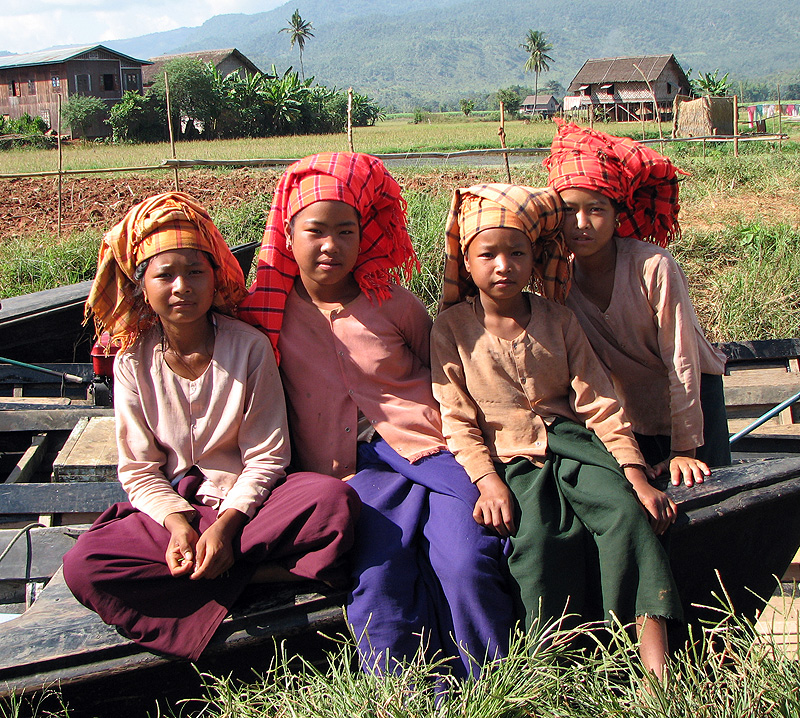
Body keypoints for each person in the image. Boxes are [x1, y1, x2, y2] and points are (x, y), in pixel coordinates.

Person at [238, 152, 514, 679]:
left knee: (466, 559)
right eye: (315, 231)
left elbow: (444, 377)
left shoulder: (393, 303)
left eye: (346, 231)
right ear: (288, 234)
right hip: (348, 473)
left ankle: (494, 681)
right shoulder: (265, 315)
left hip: (432, 453)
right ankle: (405, 691)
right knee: (380, 573)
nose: (330, 246)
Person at [62, 192, 360, 661]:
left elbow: (268, 456)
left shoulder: (249, 348)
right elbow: (140, 470)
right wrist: (181, 526)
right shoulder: (131, 363)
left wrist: (226, 527)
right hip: (178, 511)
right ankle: (255, 573)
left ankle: (214, 571)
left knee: (333, 501)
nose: (182, 286)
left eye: (195, 272)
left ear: (214, 277)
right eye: (165, 275)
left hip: (250, 511)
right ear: (143, 288)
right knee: (84, 564)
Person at [430, 183, 683, 680]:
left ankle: (659, 676)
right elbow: (456, 419)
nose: (504, 265)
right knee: (540, 542)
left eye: (517, 253)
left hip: (576, 447)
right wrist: (487, 481)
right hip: (511, 459)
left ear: (534, 257)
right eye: (488, 254)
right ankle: (554, 672)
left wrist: (635, 475)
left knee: (627, 518)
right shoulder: (451, 328)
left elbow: (599, 401)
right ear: (467, 260)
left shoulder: (559, 320)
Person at [544, 121, 729, 483]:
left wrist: (684, 451)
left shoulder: (654, 267)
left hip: (694, 408)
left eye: (596, 209)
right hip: (633, 411)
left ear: (617, 215)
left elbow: (682, 362)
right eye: (568, 210)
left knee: (714, 501)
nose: (581, 223)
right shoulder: (559, 281)